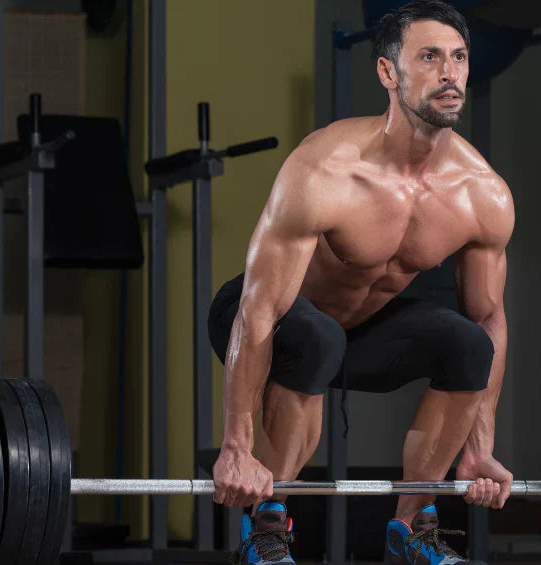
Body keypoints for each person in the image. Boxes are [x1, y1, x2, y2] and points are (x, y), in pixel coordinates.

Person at [208, 1, 514, 563]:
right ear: (387, 72)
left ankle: (411, 525)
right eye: (429, 57)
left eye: (460, 57)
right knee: (316, 336)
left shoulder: (482, 194)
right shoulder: (327, 168)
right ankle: (267, 524)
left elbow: (488, 317)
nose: (450, 73)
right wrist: (236, 446)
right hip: (267, 316)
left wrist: (481, 448)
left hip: (362, 334)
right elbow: (260, 309)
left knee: (470, 342)